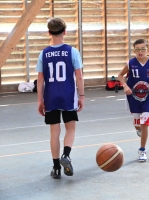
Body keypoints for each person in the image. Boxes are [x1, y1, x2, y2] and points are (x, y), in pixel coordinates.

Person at [36, 17, 84, 179]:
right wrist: (82, 96)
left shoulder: (44, 53)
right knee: (70, 128)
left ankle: (56, 168)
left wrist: (40, 101)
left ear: (49, 32)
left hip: (51, 97)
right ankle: (66, 155)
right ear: (65, 31)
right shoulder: (72, 51)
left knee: (54, 132)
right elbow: (79, 77)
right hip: (68, 95)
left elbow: (40, 80)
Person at [118, 39, 149, 162]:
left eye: (143, 49)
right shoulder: (130, 63)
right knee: (137, 124)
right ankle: (139, 130)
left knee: (144, 122)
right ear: (134, 50)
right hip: (134, 96)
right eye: (137, 49)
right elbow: (120, 75)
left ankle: (142, 150)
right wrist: (125, 86)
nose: (140, 51)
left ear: (148, 49)